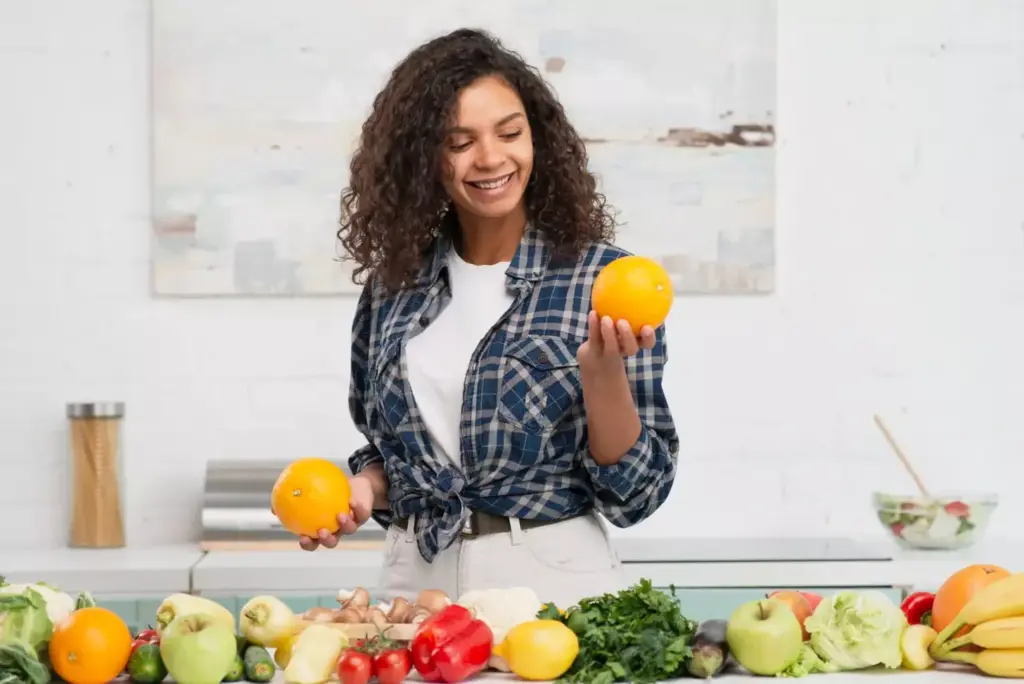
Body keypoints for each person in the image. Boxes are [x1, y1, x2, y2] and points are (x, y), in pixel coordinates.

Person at [301, 28, 680, 608]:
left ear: (538, 139)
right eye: (460, 142)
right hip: (413, 582)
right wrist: (364, 488)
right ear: (423, 157)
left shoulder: (602, 283)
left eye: (510, 133)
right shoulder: (392, 289)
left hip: (553, 582)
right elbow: (386, 447)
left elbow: (637, 496)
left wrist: (603, 376)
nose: (491, 158)